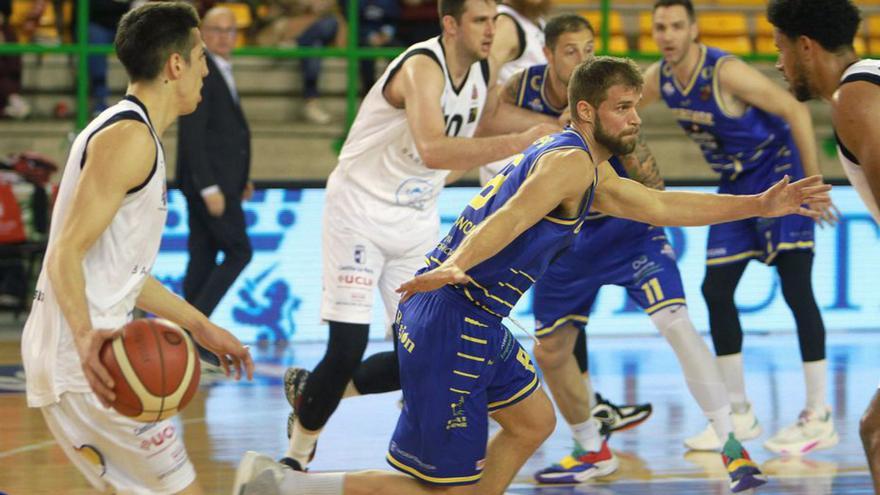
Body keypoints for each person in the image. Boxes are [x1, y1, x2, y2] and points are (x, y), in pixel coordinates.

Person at [234, 55, 831, 495]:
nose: (634, 119)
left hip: (479, 318)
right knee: (443, 492)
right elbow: (514, 217)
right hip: (454, 316)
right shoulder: (571, 164)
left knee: (534, 421)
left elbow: (664, 206)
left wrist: (757, 204)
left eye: (635, 106)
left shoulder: (587, 168)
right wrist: (454, 265)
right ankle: (281, 487)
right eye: (623, 108)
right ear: (588, 111)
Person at [281, 0, 557, 473]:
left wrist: (549, 133)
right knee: (348, 345)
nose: (491, 31)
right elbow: (433, 148)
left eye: (494, 20)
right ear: (451, 25)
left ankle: (319, 393)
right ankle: (296, 454)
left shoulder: (478, 76)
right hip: (359, 212)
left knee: (430, 346)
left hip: (415, 218)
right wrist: (520, 142)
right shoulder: (420, 66)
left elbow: (471, 138)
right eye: (479, 21)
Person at [19, 4, 254, 494]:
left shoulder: (132, 131)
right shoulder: (130, 138)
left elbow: (120, 270)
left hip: (80, 353)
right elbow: (64, 252)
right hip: (88, 359)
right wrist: (86, 339)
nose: (207, 70)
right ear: (176, 66)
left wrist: (201, 325)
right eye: (200, 56)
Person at [641, 0, 838, 454]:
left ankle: (819, 414)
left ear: (693, 30)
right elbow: (624, 101)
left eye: (675, 25)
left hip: (779, 171)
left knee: (796, 288)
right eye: (659, 27)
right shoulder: (660, 78)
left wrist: (811, 185)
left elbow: (797, 111)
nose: (667, 34)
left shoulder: (723, 71)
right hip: (736, 183)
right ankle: (738, 413)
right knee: (716, 289)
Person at [766, 0, 880, 487]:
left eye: (780, 49)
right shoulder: (868, 80)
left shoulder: (853, 100)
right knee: (874, 432)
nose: (777, 63)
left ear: (806, 47)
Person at [177, 6, 254, 321]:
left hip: (221, 183)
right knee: (239, 251)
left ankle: (186, 335)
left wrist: (241, 179)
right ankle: (196, 327)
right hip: (210, 185)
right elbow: (192, 135)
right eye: (217, 30)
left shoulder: (221, 70)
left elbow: (227, 135)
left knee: (203, 256)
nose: (224, 37)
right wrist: (209, 186)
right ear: (203, 33)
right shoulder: (203, 72)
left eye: (230, 30)